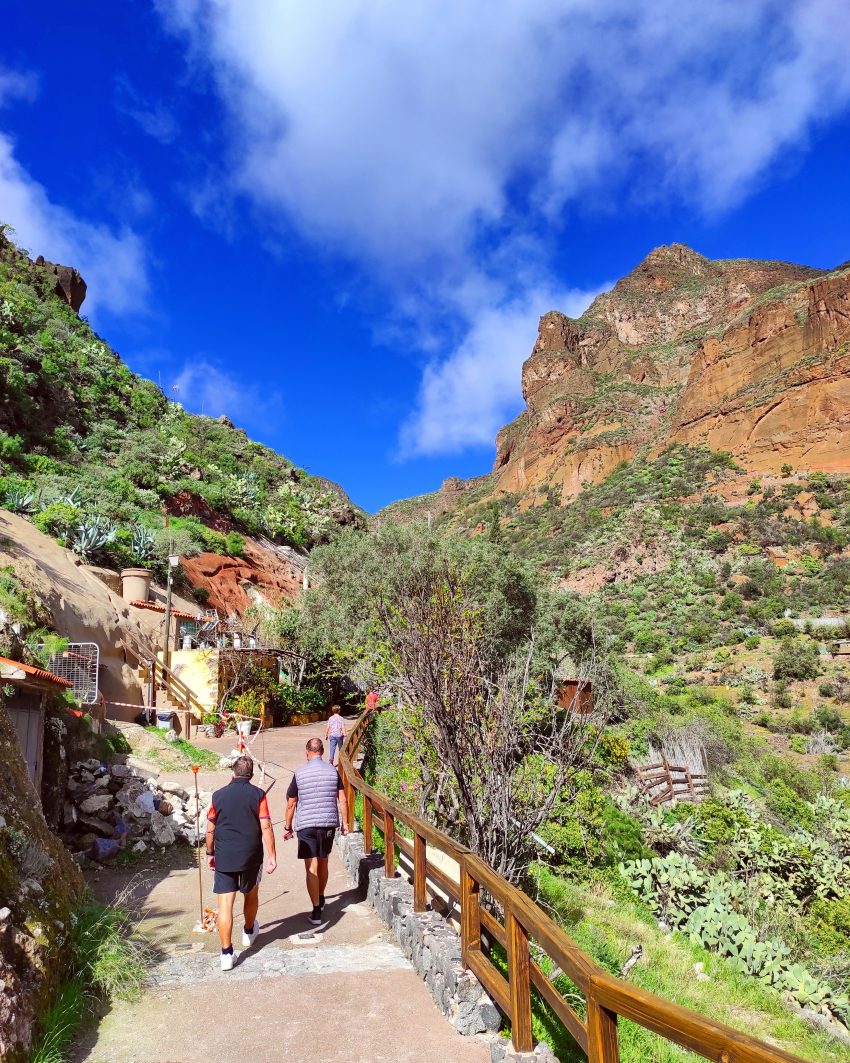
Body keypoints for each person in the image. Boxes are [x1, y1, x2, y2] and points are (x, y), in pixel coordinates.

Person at [206, 755, 276, 971]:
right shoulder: (258, 795)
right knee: (251, 894)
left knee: (225, 904)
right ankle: (248, 931)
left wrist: (210, 852)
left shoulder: (217, 796)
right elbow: (266, 826)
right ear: (251, 775)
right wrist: (272, 854)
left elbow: (210, 828)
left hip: (225, 856)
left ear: (232, 773)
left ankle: (227, 953)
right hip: (251, 855)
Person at [284, 737, 349, 924]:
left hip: (306, 825)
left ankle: (316, 911)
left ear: (307, 752)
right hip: (327, 824)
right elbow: (342, 799)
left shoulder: (299, 773)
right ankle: (321, 896)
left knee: (310, 867)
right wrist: (345, 823)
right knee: (323, 861)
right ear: (321, 751)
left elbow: (291, 804)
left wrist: (288, 827)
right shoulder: (332, 772)